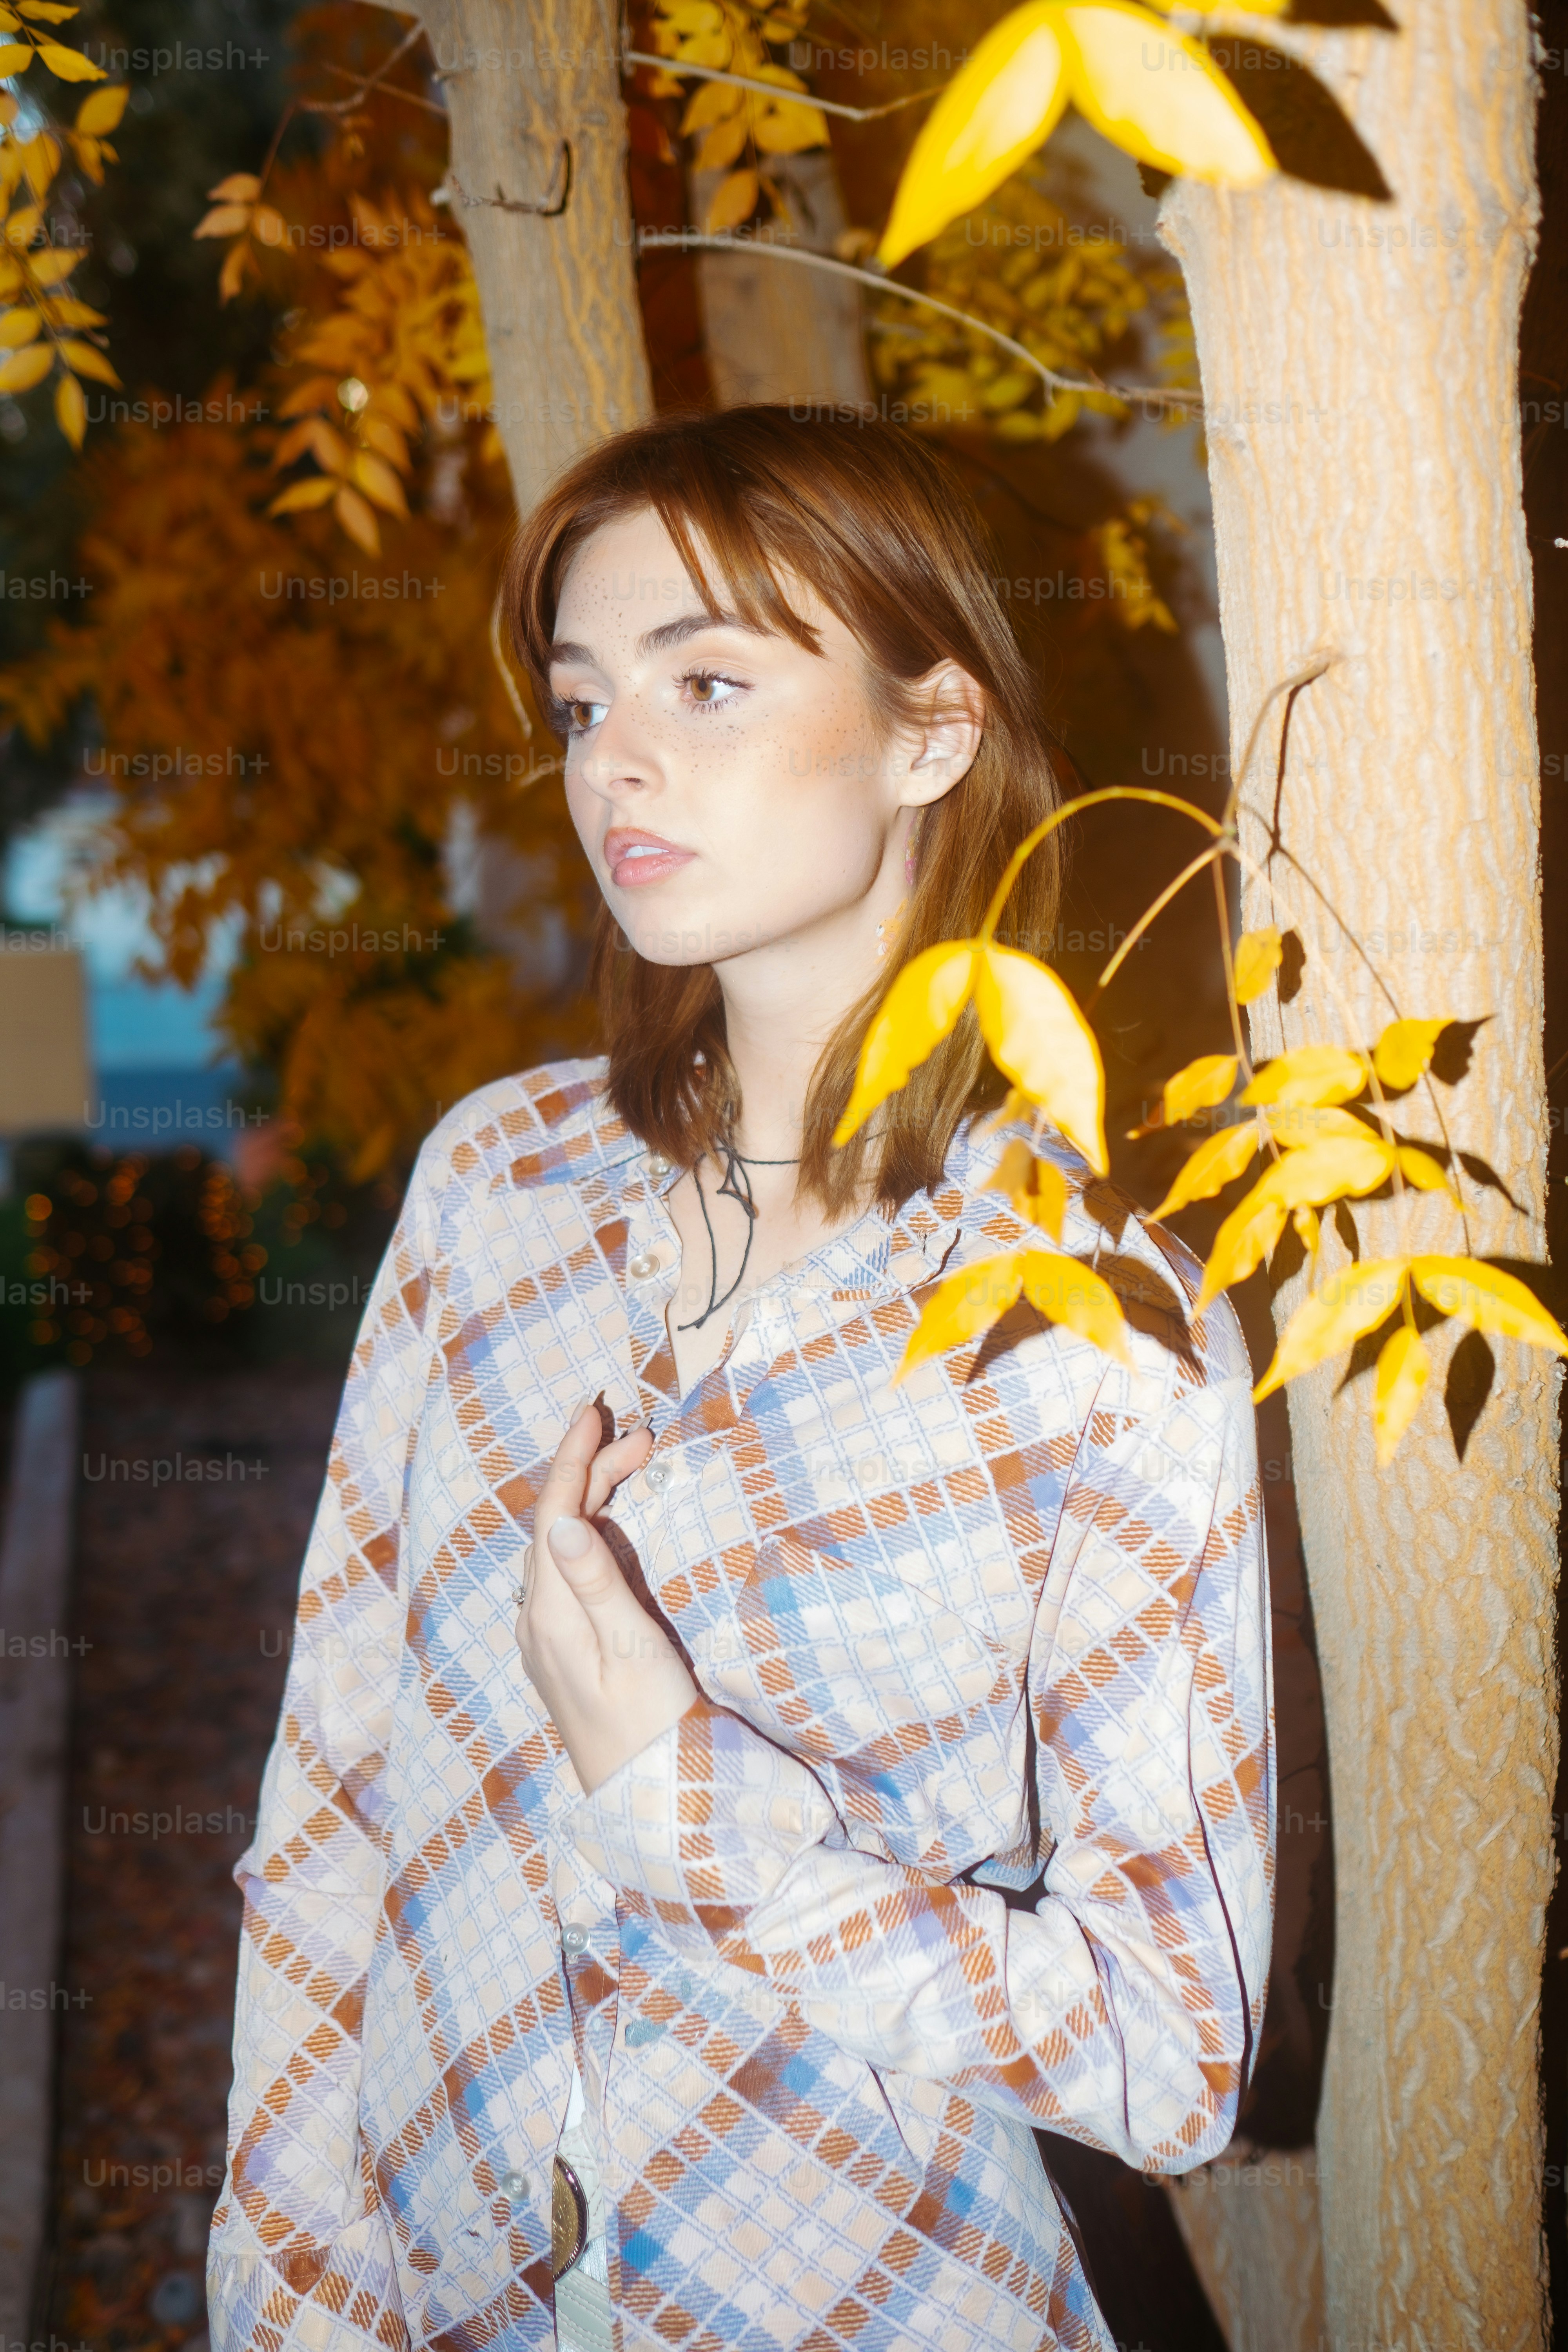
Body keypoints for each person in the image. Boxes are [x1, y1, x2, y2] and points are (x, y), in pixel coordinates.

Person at [209, 407, 1272, 2352]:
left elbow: (1170, 2047)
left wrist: (682, 1808)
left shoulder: (1090, 1326)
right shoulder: (500, 1192)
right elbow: (332, 1802)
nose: (615, 753)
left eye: (708, 682)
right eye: (584, 696)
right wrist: (280, 2295)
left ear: (932, 729)